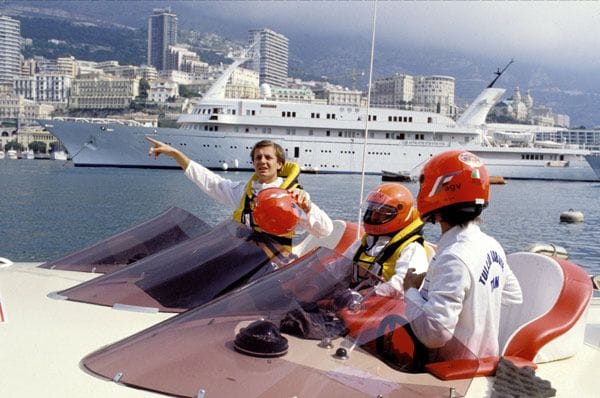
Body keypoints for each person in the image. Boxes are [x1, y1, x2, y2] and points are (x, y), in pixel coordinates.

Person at [403, 150, 523, 362]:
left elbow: (434, 334)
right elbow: (512, 297)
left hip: (448, 370)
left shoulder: (453, 257)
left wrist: (411, 290)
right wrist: (475, 309)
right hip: (484, 359)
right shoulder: (491, 245)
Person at [146, 137, 333, 254]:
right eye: (258, 158)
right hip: (242, 259)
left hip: (270, 266)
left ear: (280, 165)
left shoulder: (292, 196)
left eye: (268, 157)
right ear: (253, 163)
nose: (263, 161)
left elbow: (325, 231)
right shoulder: (245, 192)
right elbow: (210, 182)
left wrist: (307, 208)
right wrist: (176, 154)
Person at [351, 183, 430, 297]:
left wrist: (370, 293)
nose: (373, 216)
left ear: (400, 215)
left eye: (381, 212)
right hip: (355, 305)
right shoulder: (365, 243)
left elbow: (403, 285)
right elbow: (338, 269)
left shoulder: (412, 248)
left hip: (386, 310)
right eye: (371, 210)